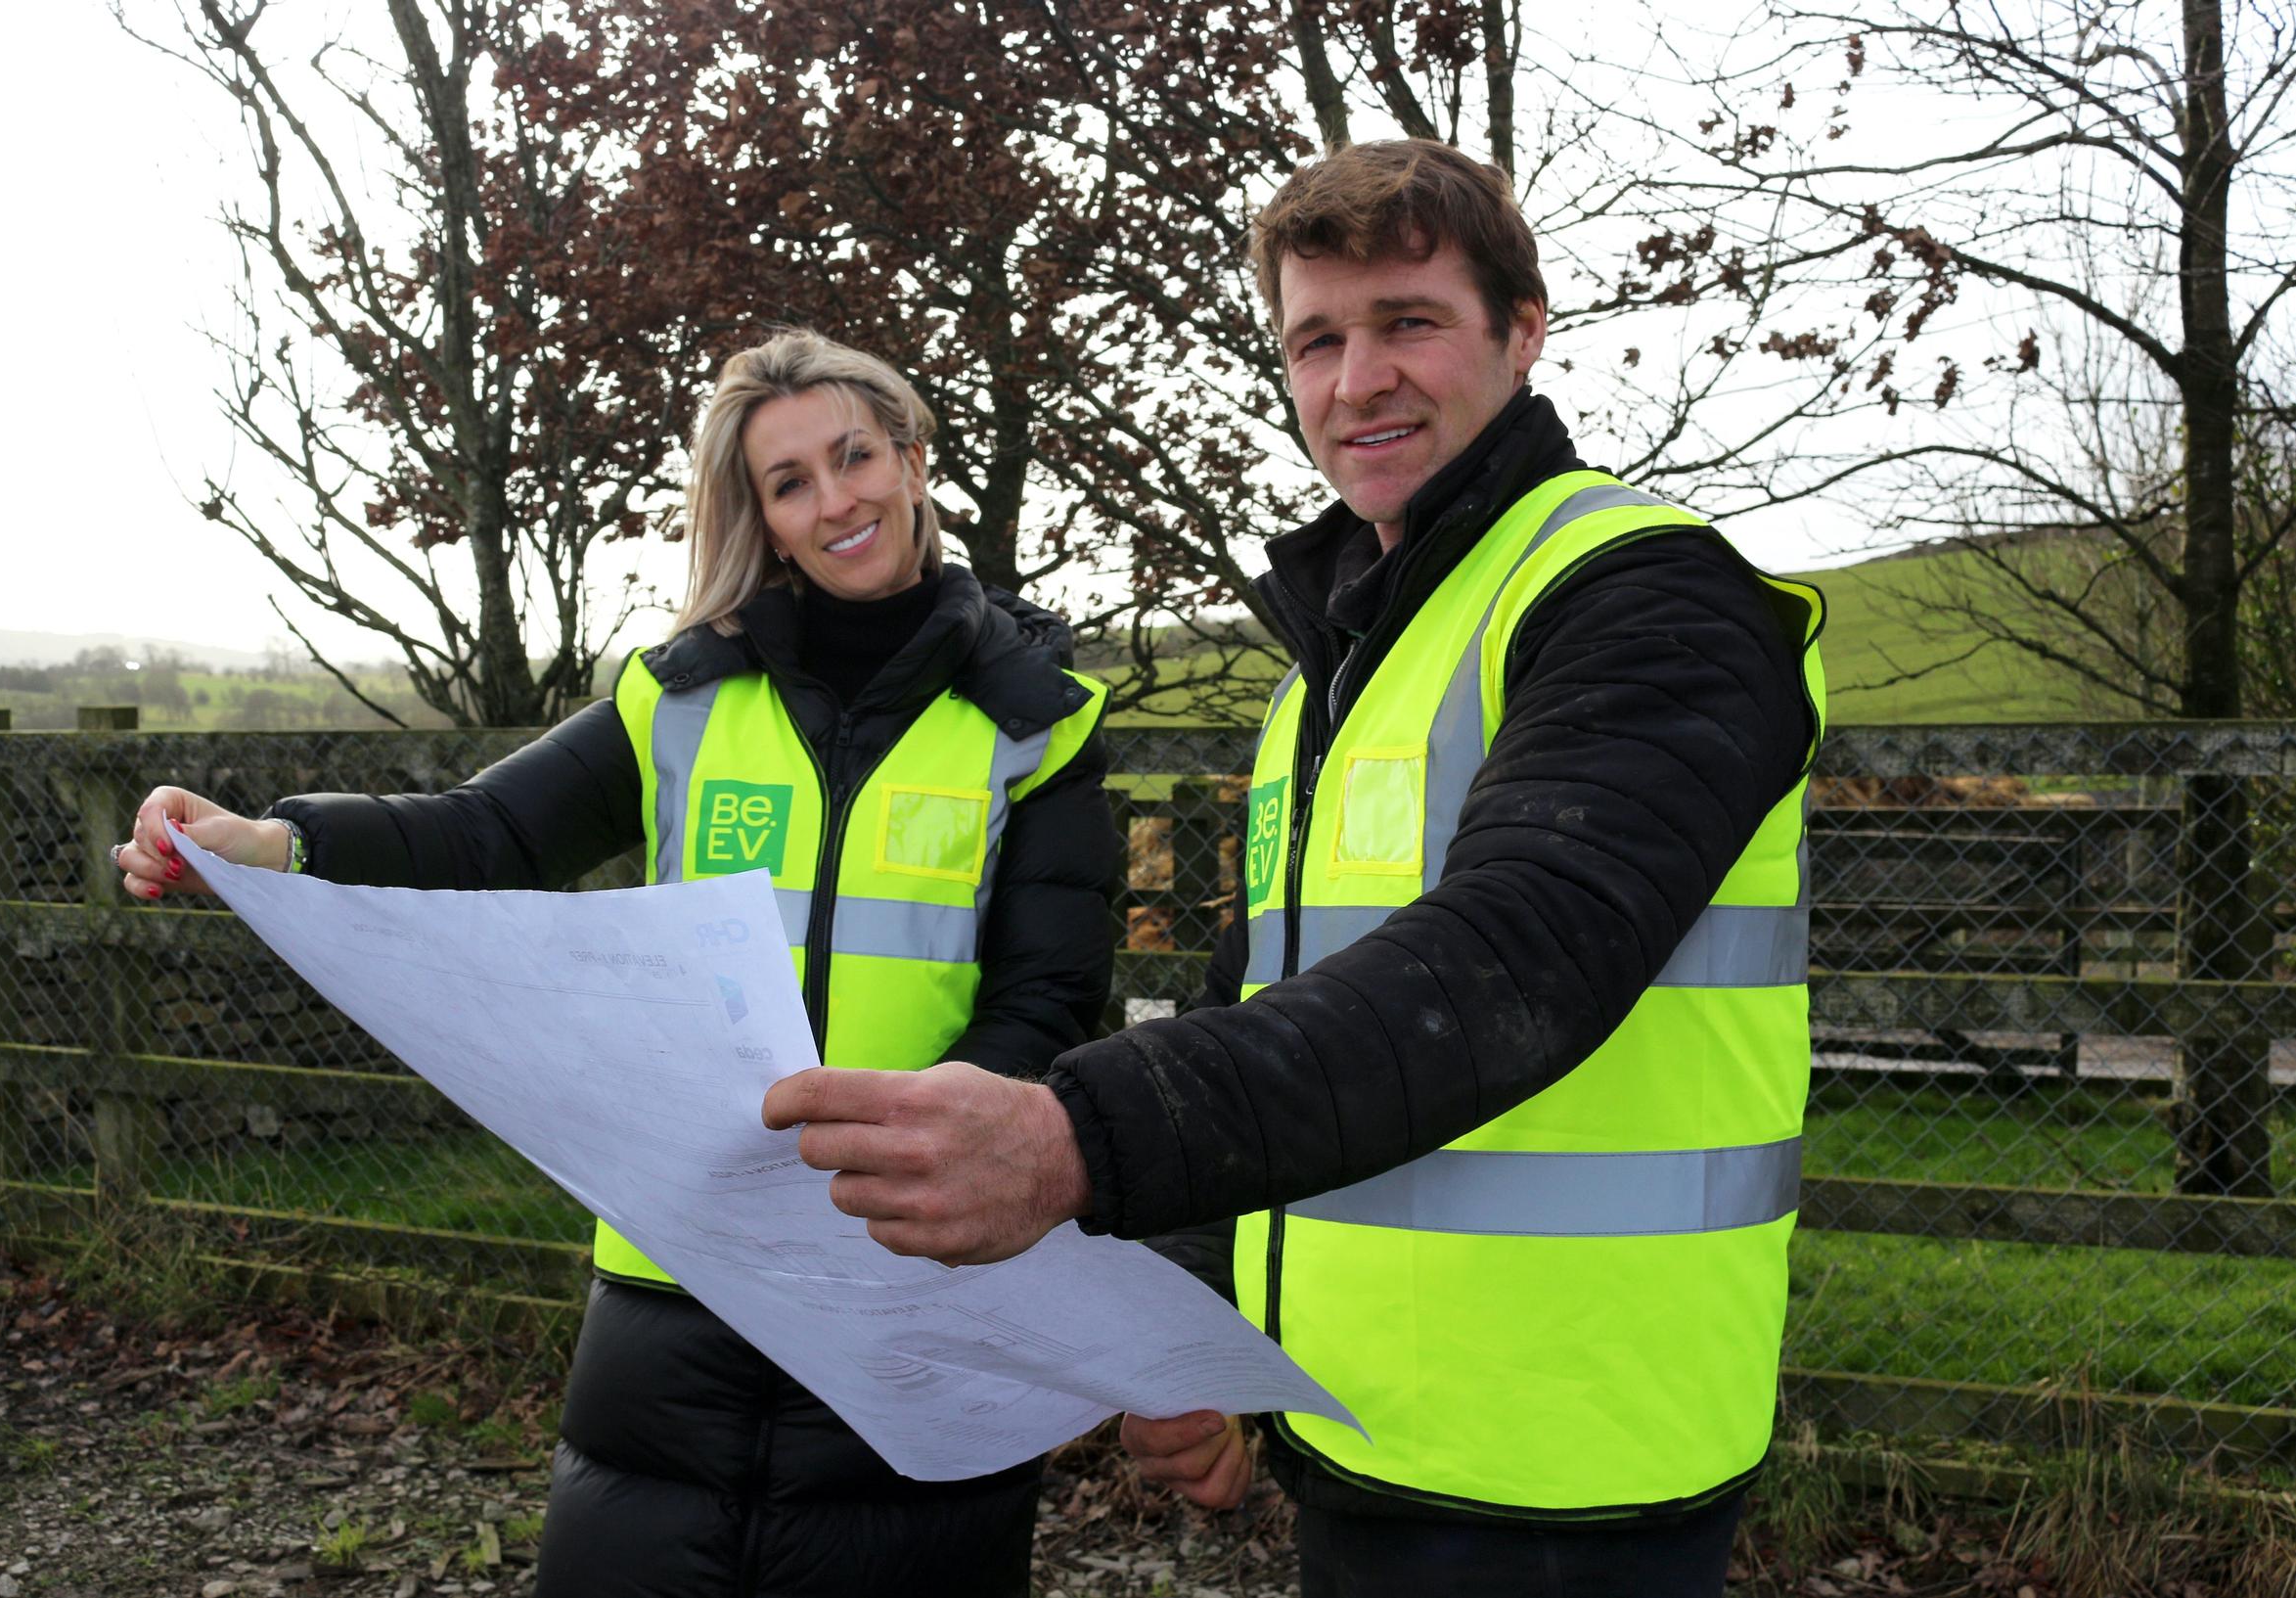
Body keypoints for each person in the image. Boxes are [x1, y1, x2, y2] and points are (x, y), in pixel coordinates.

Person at [762, 140, 1826, 1596]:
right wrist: (1188, 1320)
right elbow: (1254, 994)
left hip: (1573, 1462)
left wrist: (1082, 1135)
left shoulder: (1646, 597)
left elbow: (1515, 960)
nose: (1355, 380)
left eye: (1406, 321)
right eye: (1314, 338)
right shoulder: (1327, 683)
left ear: (1521, 331)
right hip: (1363, 1432)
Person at [113, 329, 1116, 1598]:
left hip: (908, 1283)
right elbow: (488, 831)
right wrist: (273, 843)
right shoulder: (680, 697)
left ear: (912, 461)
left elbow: (1046, 1004)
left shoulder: (1040, 726)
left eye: (854, 456)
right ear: (758, 513)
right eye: (788, 480)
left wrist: (923, 1170)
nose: (833, 498)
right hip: (675, 1275)